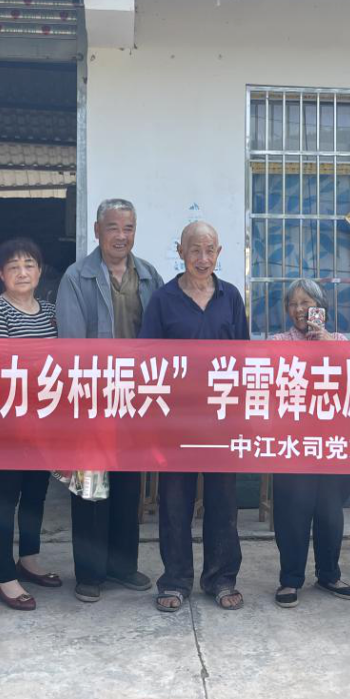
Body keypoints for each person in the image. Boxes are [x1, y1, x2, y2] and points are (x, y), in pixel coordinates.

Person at [55, 198, 163, 604]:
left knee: (128, 485)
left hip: (134, 399)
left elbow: (161, 336)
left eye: (128, 228)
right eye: (114, 227)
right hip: (92, 398)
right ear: (98, 230)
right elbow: (70, 343)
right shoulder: (77, 277)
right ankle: (89, 573)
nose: (121, 236)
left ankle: (122, 566)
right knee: (89, 487)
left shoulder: (148, 275)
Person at [141, 221, 249, 613]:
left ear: (219, 253)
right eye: (194, 250)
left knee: (223, 501)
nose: (203, 259)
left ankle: (221, 578)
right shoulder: (163, 300)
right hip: (177, 420)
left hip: (221, 417)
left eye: (210, 250)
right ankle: (175, 580)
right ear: (180, 252)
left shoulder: (230, 297)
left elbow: (244, 356)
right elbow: (147, 357)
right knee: (174, 501)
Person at [0, 237, 62, 611]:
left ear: (40, 271)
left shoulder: (50, 311)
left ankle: (28, 559)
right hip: (10, 424)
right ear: (1, 274)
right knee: (6, 496)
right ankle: (4, 576)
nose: (22, 272)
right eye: (14, 266)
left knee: (35, 493)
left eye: (29, 265)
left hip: (45, 421)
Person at [268, 278, 350, 609]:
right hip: (293, 443)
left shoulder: (340, 342)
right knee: (293, 511)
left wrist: (327, 343)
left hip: (333, 441)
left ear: (321, 307)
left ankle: (329, 574)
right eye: (292, 304)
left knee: (330, 511)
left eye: (306, 303)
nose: (299, 309)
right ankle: (290, 579)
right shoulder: (278, 342)